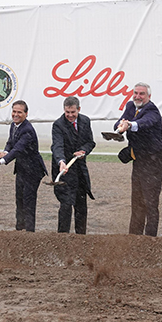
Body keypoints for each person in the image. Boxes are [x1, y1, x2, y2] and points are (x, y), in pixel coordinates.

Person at [114, 82, 162, 236]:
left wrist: (130, 125)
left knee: (150, 202)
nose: (138, 96)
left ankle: (150, 240)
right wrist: (120, 126)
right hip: (139, 161)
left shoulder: (152, 110)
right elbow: (119, 123)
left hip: (154, 162)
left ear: (149, 96)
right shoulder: (130, 106)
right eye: (136, 93)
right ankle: (134, 238)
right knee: (137, 201)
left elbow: (145, 123)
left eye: (142, 94)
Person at [0, 100, 47, 232]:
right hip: (21, 169)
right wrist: (4, 152)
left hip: (33, 171)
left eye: (19, 112)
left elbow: (18, 149)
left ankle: (29, 233)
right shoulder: (14, 126)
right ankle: (19, 231)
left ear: (26, 114)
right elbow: (10, 144)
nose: (16, 114)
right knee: (19, 200)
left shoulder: (27, 130)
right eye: (14, 111)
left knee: (28, 202)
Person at [51, 96, 96, 234]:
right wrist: (61, 161)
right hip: (63, 169)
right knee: (66, 204)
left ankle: (81, 238)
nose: (70, 116)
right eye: (67, 112)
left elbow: (90, 142)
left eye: (73, 112)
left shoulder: (85, 121)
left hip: (80, 169)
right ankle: (63, 238)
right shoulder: (58, 125)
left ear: (79, 110)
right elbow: (57, 146)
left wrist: (84, 151)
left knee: (81, 204)